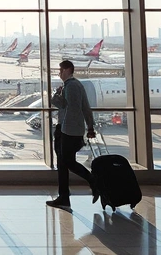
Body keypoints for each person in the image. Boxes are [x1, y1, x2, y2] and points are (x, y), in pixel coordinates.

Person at [47, 60, 96, 209]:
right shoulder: (76, 85)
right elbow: (85, 108)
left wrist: (56, 96)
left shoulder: (71, 86)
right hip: (70, 129)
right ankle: (63, 197)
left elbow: (70, 108)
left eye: (61, 70)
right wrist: (90, 127)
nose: (59, 73)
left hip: (67, 130)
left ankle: (93, 181)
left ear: (68, 70)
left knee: (66, 162)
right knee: (63, 163)